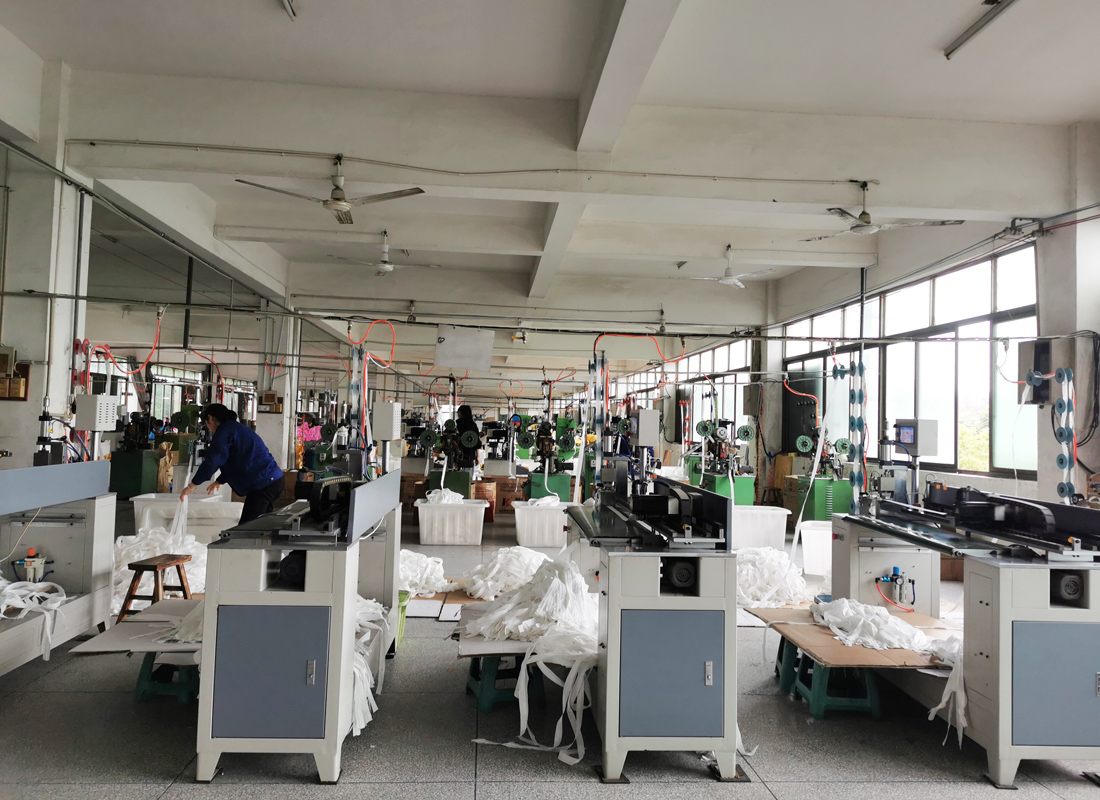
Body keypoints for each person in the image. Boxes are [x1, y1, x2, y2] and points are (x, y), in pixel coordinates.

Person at [179, 403, 285, 523]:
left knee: (247, 528)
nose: (208, 428)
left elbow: (213, 460)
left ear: (210, 418)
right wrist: (219, 481)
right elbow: (235, 461)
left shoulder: (224, 431)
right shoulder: (235, 428)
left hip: (264, 484)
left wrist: (191, 486)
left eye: (206, 424)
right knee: (261, 526)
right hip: (273, 480)